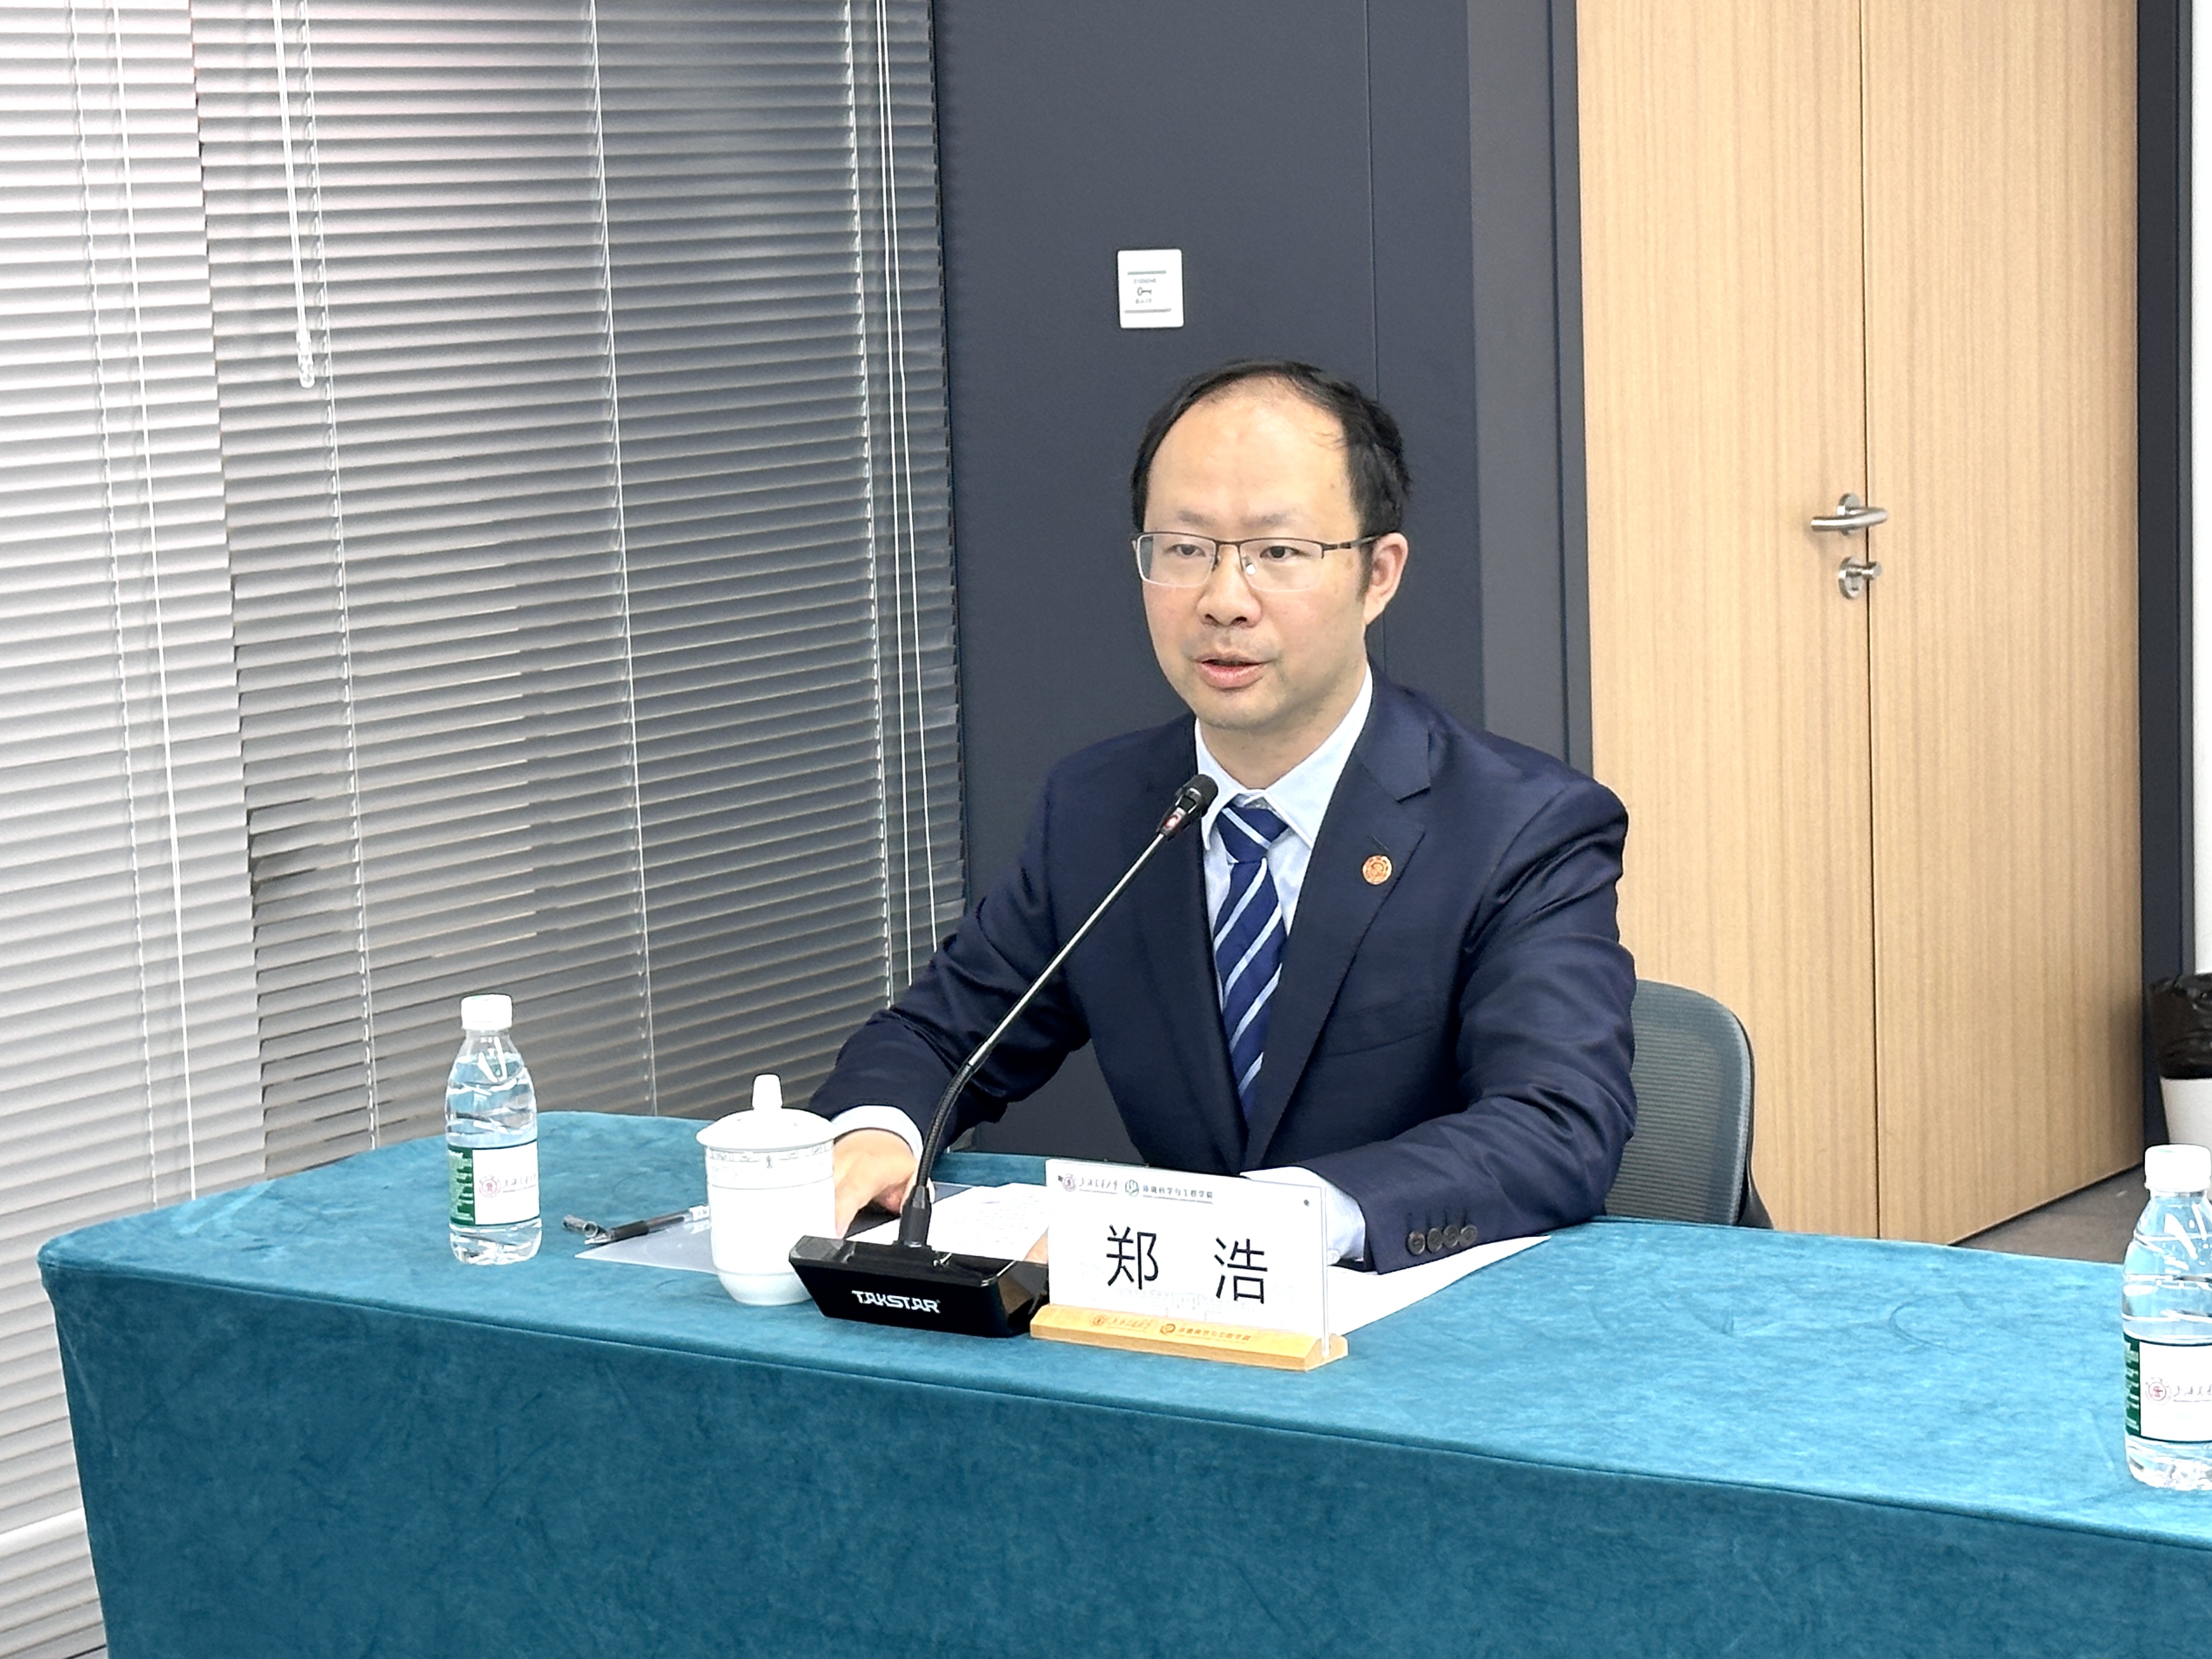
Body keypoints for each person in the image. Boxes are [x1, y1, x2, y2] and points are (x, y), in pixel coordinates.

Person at [810, 359, 1635, 1272]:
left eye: (1278, 553)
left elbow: (1556, 1122)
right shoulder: (1102, 809)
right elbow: (940, 1035)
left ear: (1379, 574)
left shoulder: (1522, 827)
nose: (1223, 600)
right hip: (1178, 1327)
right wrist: (878, 1129)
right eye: (1184, 549)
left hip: (1428, 1313)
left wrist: (1280, 1220)